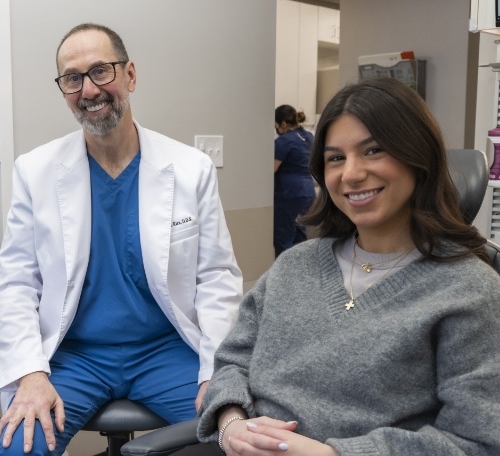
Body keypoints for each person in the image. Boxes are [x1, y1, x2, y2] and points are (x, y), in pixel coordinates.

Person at [169, 77, 500, 455]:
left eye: (374, 150)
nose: (351, 173)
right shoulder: (294, 266)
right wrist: (231, 424)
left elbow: (477, 441)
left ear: (418, 157)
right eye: (336, 158)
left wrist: (333, 454)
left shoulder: (467, 289)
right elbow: (231, 360)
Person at [0, 23, 243, 455]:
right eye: (72, 78)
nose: (89, 89)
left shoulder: (190, 168)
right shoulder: (35, 171)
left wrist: (213, 372)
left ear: (129, 75)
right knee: (19, 444)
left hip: (167, 350)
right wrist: (31, 375)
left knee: (235, 437)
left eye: (101, 71)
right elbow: (17, 283)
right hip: (73, 356)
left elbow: (217, 279)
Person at [273, 105, 315, 258]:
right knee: (300, 236)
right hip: (308, 192)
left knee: (284, 237)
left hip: (289, 193)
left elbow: (272, 169)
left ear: (283, 124)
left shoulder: (284, 141)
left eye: (276, 125)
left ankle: (283, 278)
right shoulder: (309, 137)